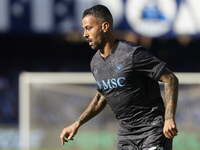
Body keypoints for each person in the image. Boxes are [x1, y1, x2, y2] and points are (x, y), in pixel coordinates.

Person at [60, 4, 179, 150]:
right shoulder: (95, 63)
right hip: (126, 137)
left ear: (104, 27)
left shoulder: (132, 54)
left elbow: (170, 79)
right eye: (84, 29)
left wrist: (168, 118)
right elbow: (102, 96)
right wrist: (77, 123)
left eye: (89, 28)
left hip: (152, 131)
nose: (84, 34)